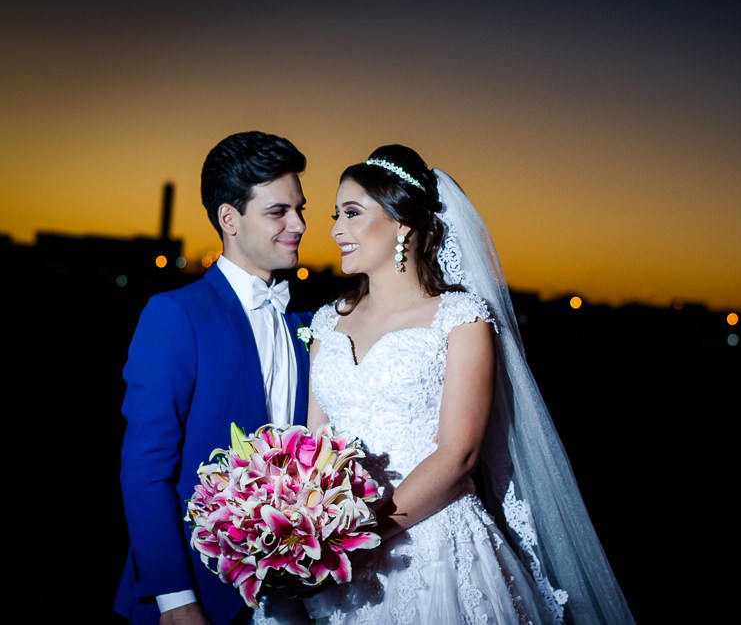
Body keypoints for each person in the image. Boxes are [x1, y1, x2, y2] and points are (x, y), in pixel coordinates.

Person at [255, 145, 634, 624]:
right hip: (332, 556)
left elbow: (459, 457)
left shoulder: (460, 319)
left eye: (351, 213)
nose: (333, 230)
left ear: (402, 224)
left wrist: (353, 535)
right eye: (335, 215)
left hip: (430, 549)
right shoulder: (329, 323)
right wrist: (302, 532)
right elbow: (314, 446)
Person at [114, 131, 314, 625]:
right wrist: (175, 599)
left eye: (300, 209)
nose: (300, 225)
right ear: (229, 218)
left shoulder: (308, 324)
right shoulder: (175, 315)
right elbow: (145, 469)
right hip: (200, 592)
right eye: (278, 212)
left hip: (297, 590)